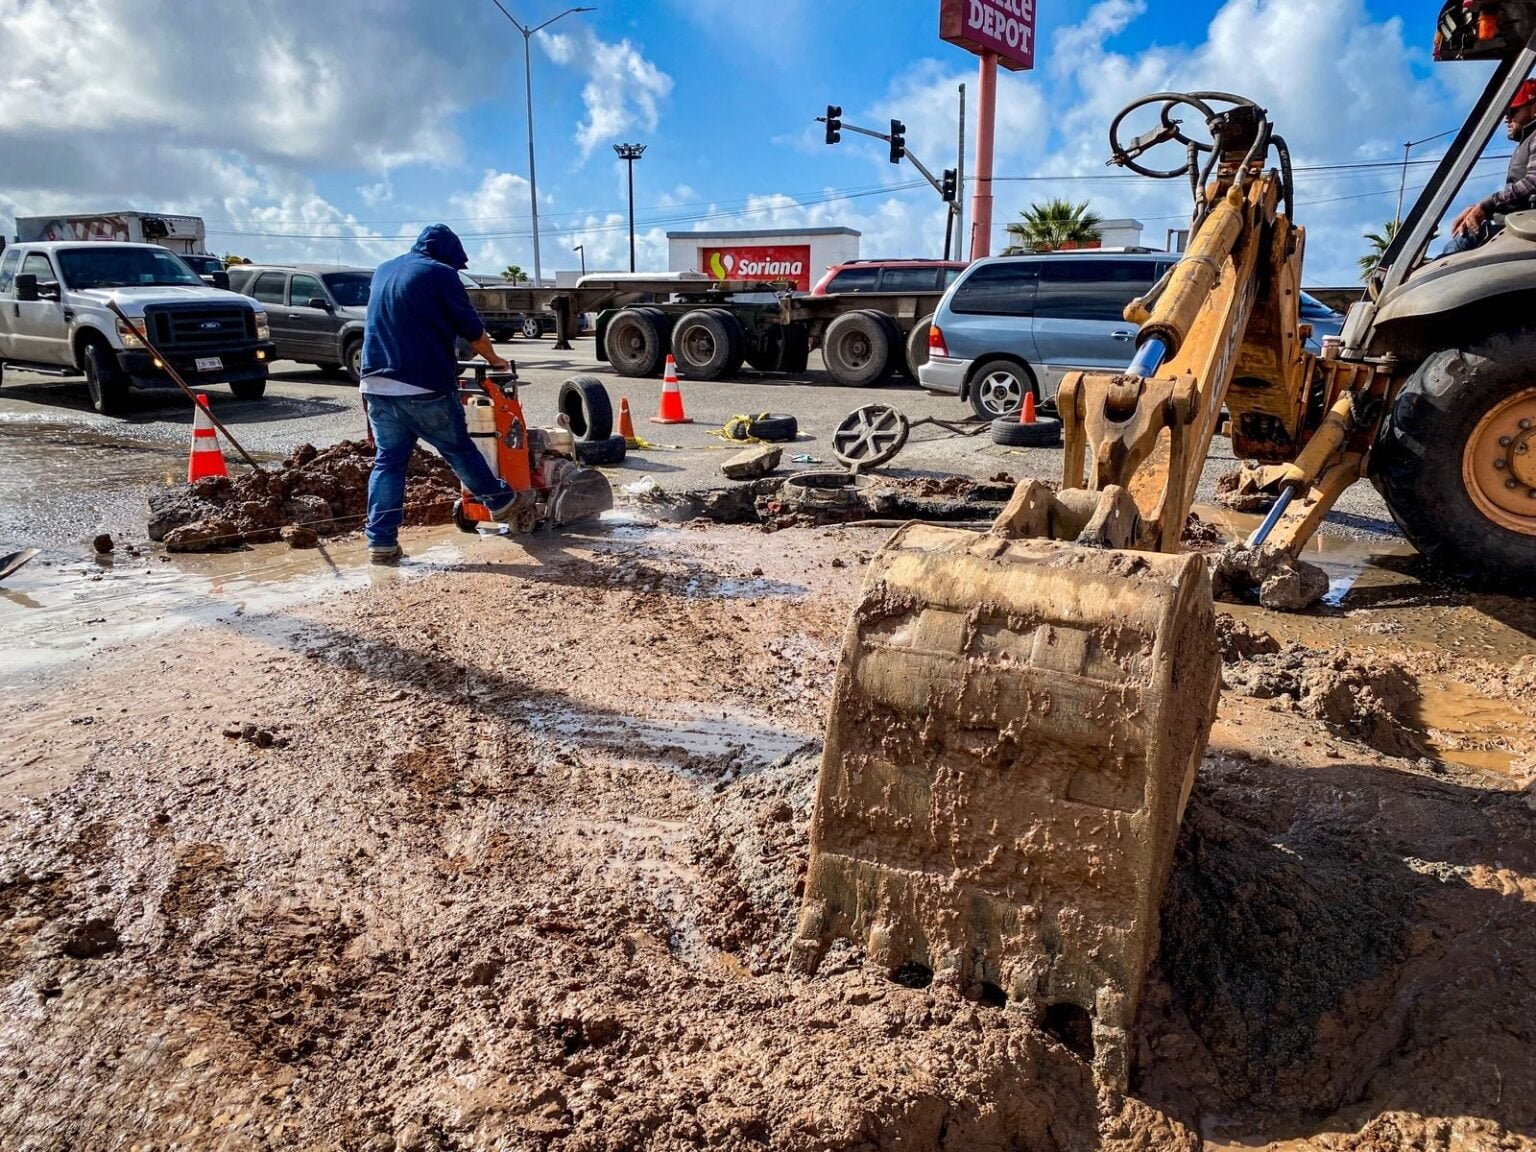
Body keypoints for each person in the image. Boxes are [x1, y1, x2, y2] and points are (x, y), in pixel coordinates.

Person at [359, 224, 519, 564]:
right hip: (422, 383)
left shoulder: (384, 269)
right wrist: (495, 360)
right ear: (448, 254)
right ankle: (500, 501)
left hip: (375, 383)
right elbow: (472, 331)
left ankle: (381, 542)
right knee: (457, 447)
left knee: (388, 462)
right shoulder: (441, 274)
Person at [1443, 78, 1536, 256]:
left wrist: (1487, 205)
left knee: (1458, 248)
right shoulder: (1526, 141)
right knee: (1462, 240)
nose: (1507, 119)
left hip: (1526, 224)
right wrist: (1480, 208)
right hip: (1516, 221)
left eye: (1512, 110)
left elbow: (1533, 182)